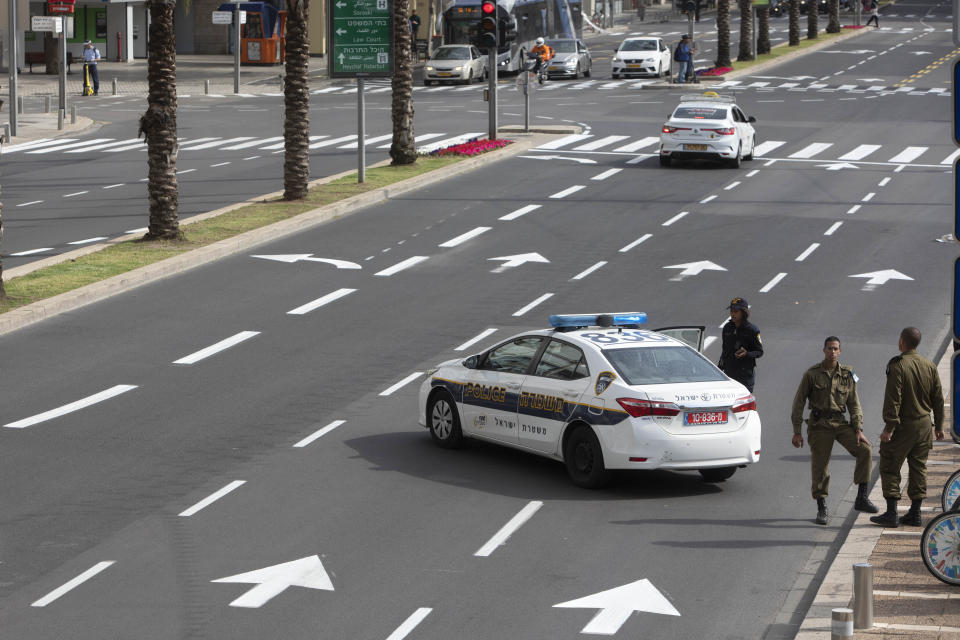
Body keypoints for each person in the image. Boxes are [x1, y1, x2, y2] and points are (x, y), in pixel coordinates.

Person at [791, 336, 877, 525]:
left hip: (840, 423)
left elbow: (854, 403)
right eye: (829, 348)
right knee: (821, 466)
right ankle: (822, 507)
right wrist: (797, 430)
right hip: (819, 425)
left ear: (840, 351)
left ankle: (861, 497)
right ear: (824, 350)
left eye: (835, 349)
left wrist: (858, 428)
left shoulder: (848, 374)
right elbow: (798, 403)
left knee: (865, 450)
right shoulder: (812, 374)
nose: (832, 352)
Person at [870, 327, 945, 527]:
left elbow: (894, 399)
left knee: (889, 464)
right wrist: (939, 425)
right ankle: (915, 512)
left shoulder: (898, 366)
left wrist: (889, 428)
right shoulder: (929, 365)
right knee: (918, 468)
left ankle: (892, 513)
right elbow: (938, 398)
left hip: (904, 425)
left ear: (902, 341)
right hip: (924, 424)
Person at [718, 297, 763, 392]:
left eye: (736, 311)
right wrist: (719, 369)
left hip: (744, 376)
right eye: (731, 311)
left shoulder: (752, 330)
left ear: (743, 312)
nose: (732, 314)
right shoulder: (727, 328)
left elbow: (759, 352)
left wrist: (747, 354)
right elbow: (725, 350)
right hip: (729, 375)